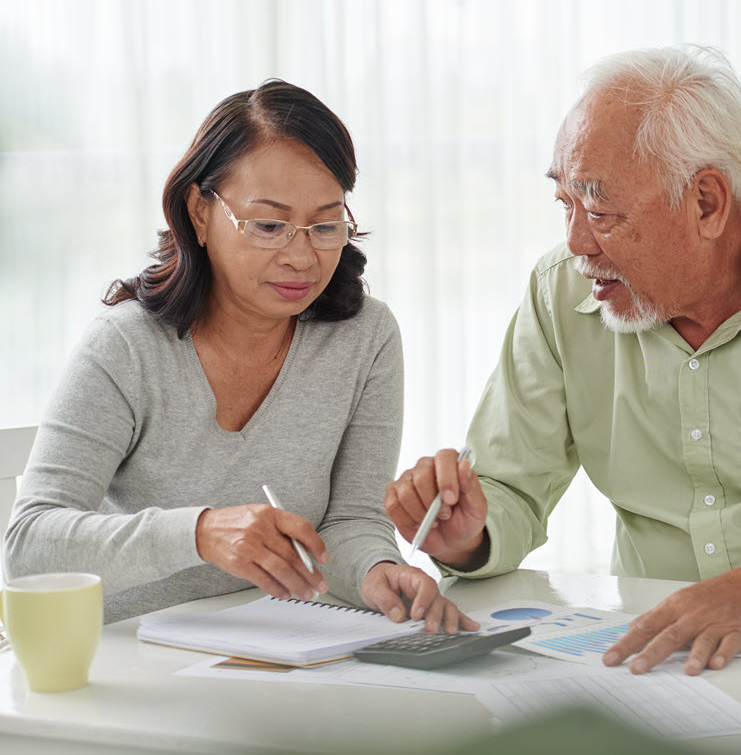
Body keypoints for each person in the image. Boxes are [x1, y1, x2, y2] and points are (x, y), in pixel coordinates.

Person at [385, 46, 741, 673]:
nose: (576, 243)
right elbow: (510, 485)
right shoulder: (558, 292)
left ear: (707, 202)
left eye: (601, 212)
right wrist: (469, 537)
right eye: (565, 203)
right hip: (653, 651)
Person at [4, 80, 476, 631]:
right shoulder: (126, 346)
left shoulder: (364, 338)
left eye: (326, 226)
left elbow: (350, 521)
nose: (302, 257)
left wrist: (377, 570)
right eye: (270, 226)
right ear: (200, 214)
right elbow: (28, 547)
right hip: (120, 655)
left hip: (268, 649)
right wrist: (201, 533)